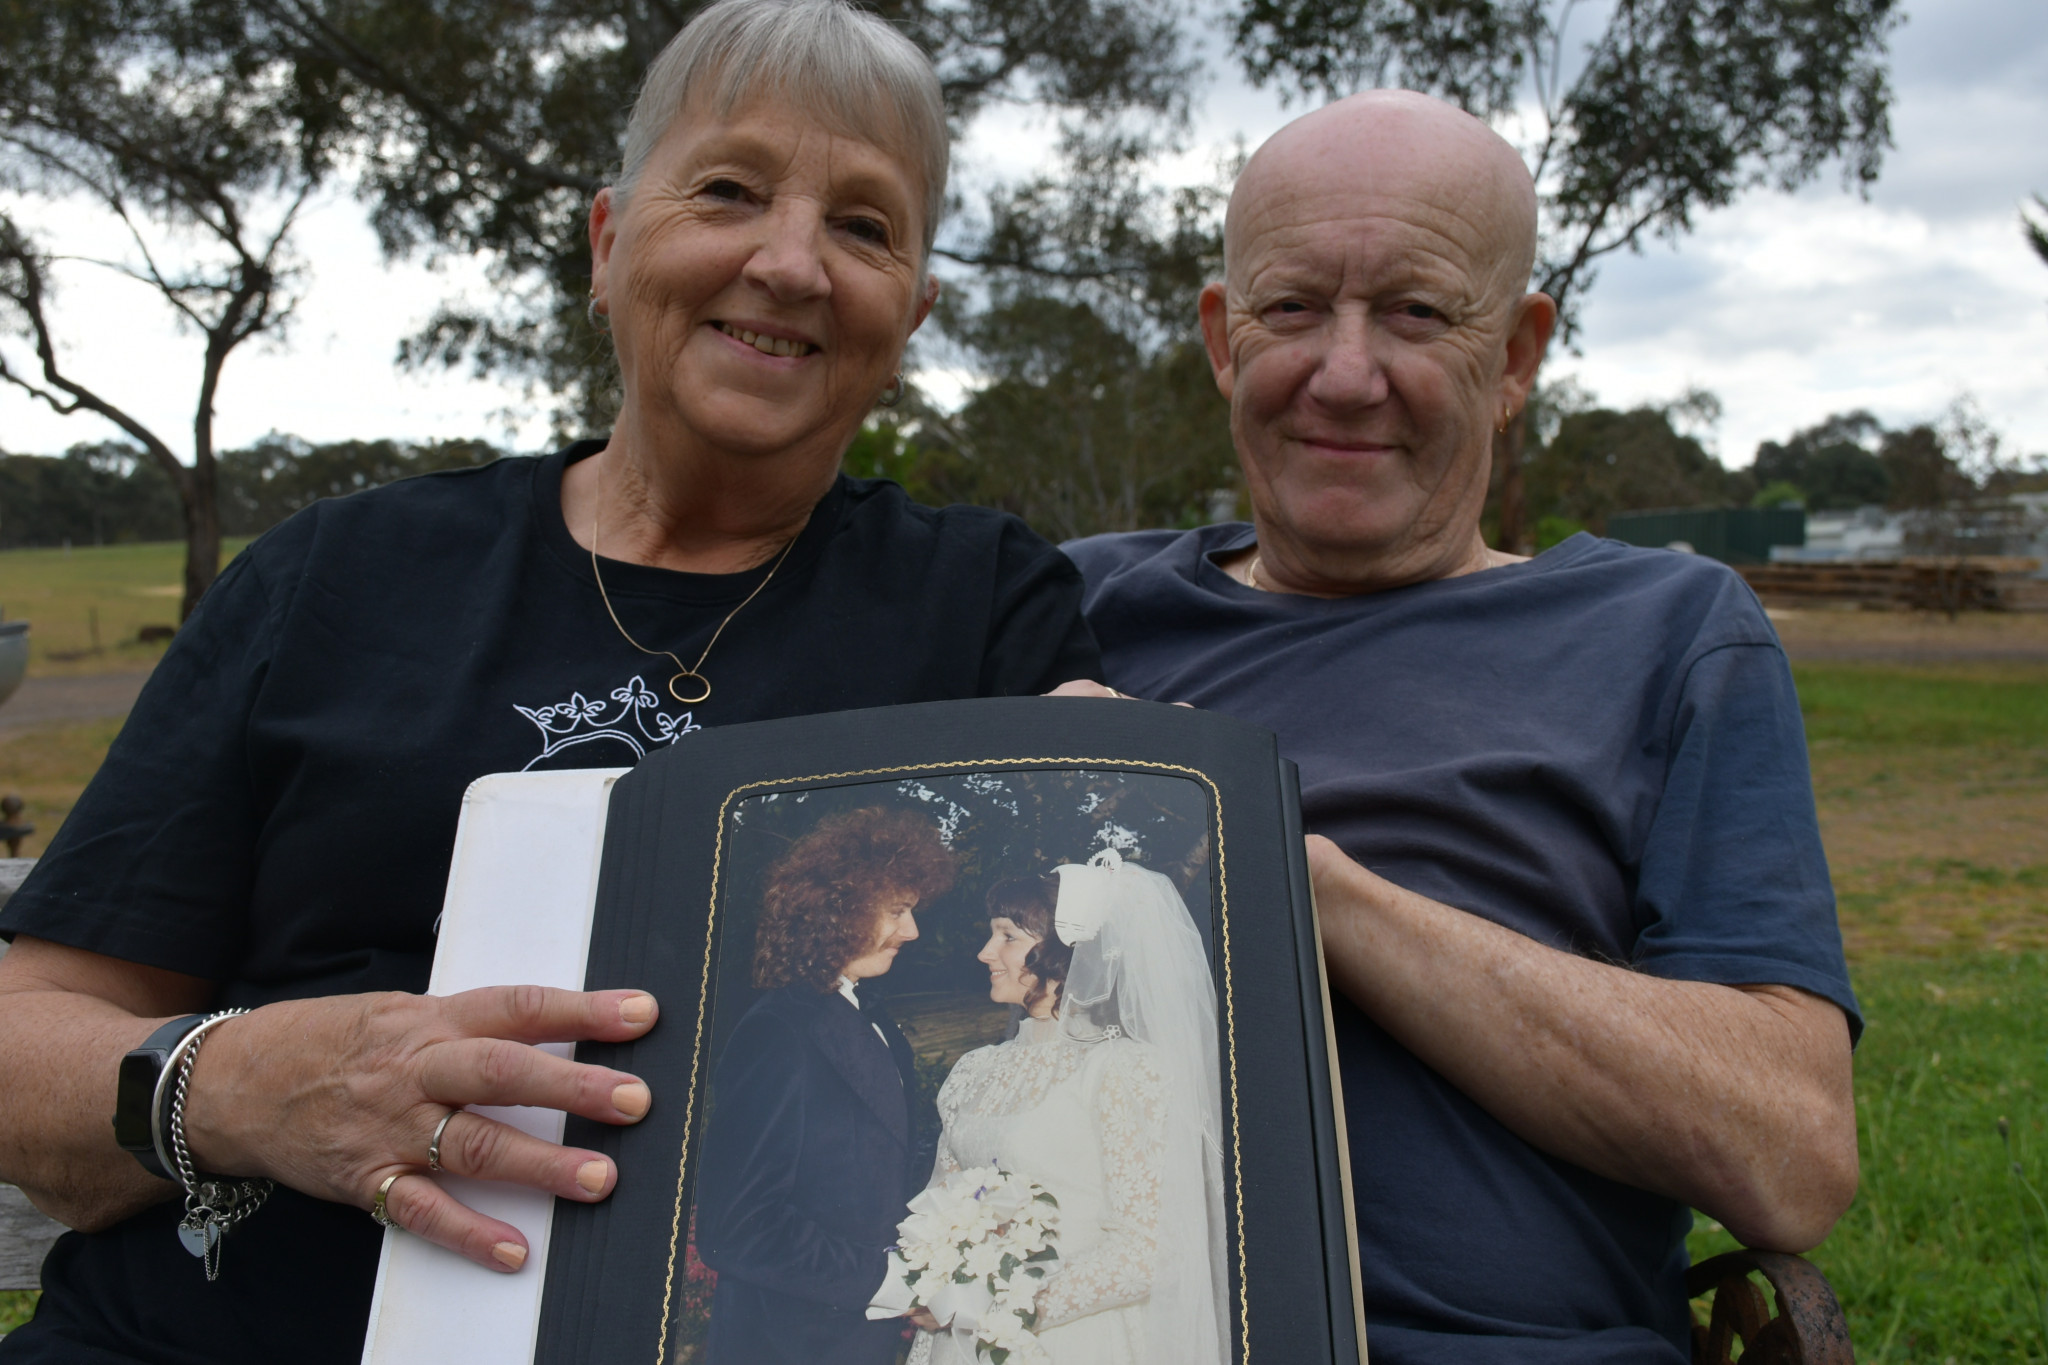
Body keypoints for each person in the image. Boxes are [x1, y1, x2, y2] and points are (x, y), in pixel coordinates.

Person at [0, 3, 1099, 1360]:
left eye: (866, 227)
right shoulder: (331, 579)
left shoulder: (985, 608)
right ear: (606, 242)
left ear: (912, 313)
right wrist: (236, 1087)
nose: (792, 261)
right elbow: (24, 1047)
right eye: (729, 191)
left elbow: (1093, 984)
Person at [1058, 91, 1859, 1362]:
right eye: (1291, 308)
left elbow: (1788, 1155)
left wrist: (1280, 872)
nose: (1343, 371)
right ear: (1221, 336)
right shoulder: (1067, 607)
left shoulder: (1662, 631)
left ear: (1519, 354)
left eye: (1417, 313)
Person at [905, 853, 1226, 1365]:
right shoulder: (973, 1070)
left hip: (1073, 1340)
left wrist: (1002, 1303)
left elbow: (1148, 1251)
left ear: (1062, 952)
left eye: (1008, 935)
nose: (987, 951)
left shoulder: (1122, 1071)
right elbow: (937, 1206)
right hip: (959, 1338)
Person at [695, 807, 955, 1365]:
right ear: (841, 911)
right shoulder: (777, 1032)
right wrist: (892, 1282)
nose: (912, 930)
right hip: (784, 1346)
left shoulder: (875, 1018)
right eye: (897, 911)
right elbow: (735, 1228)